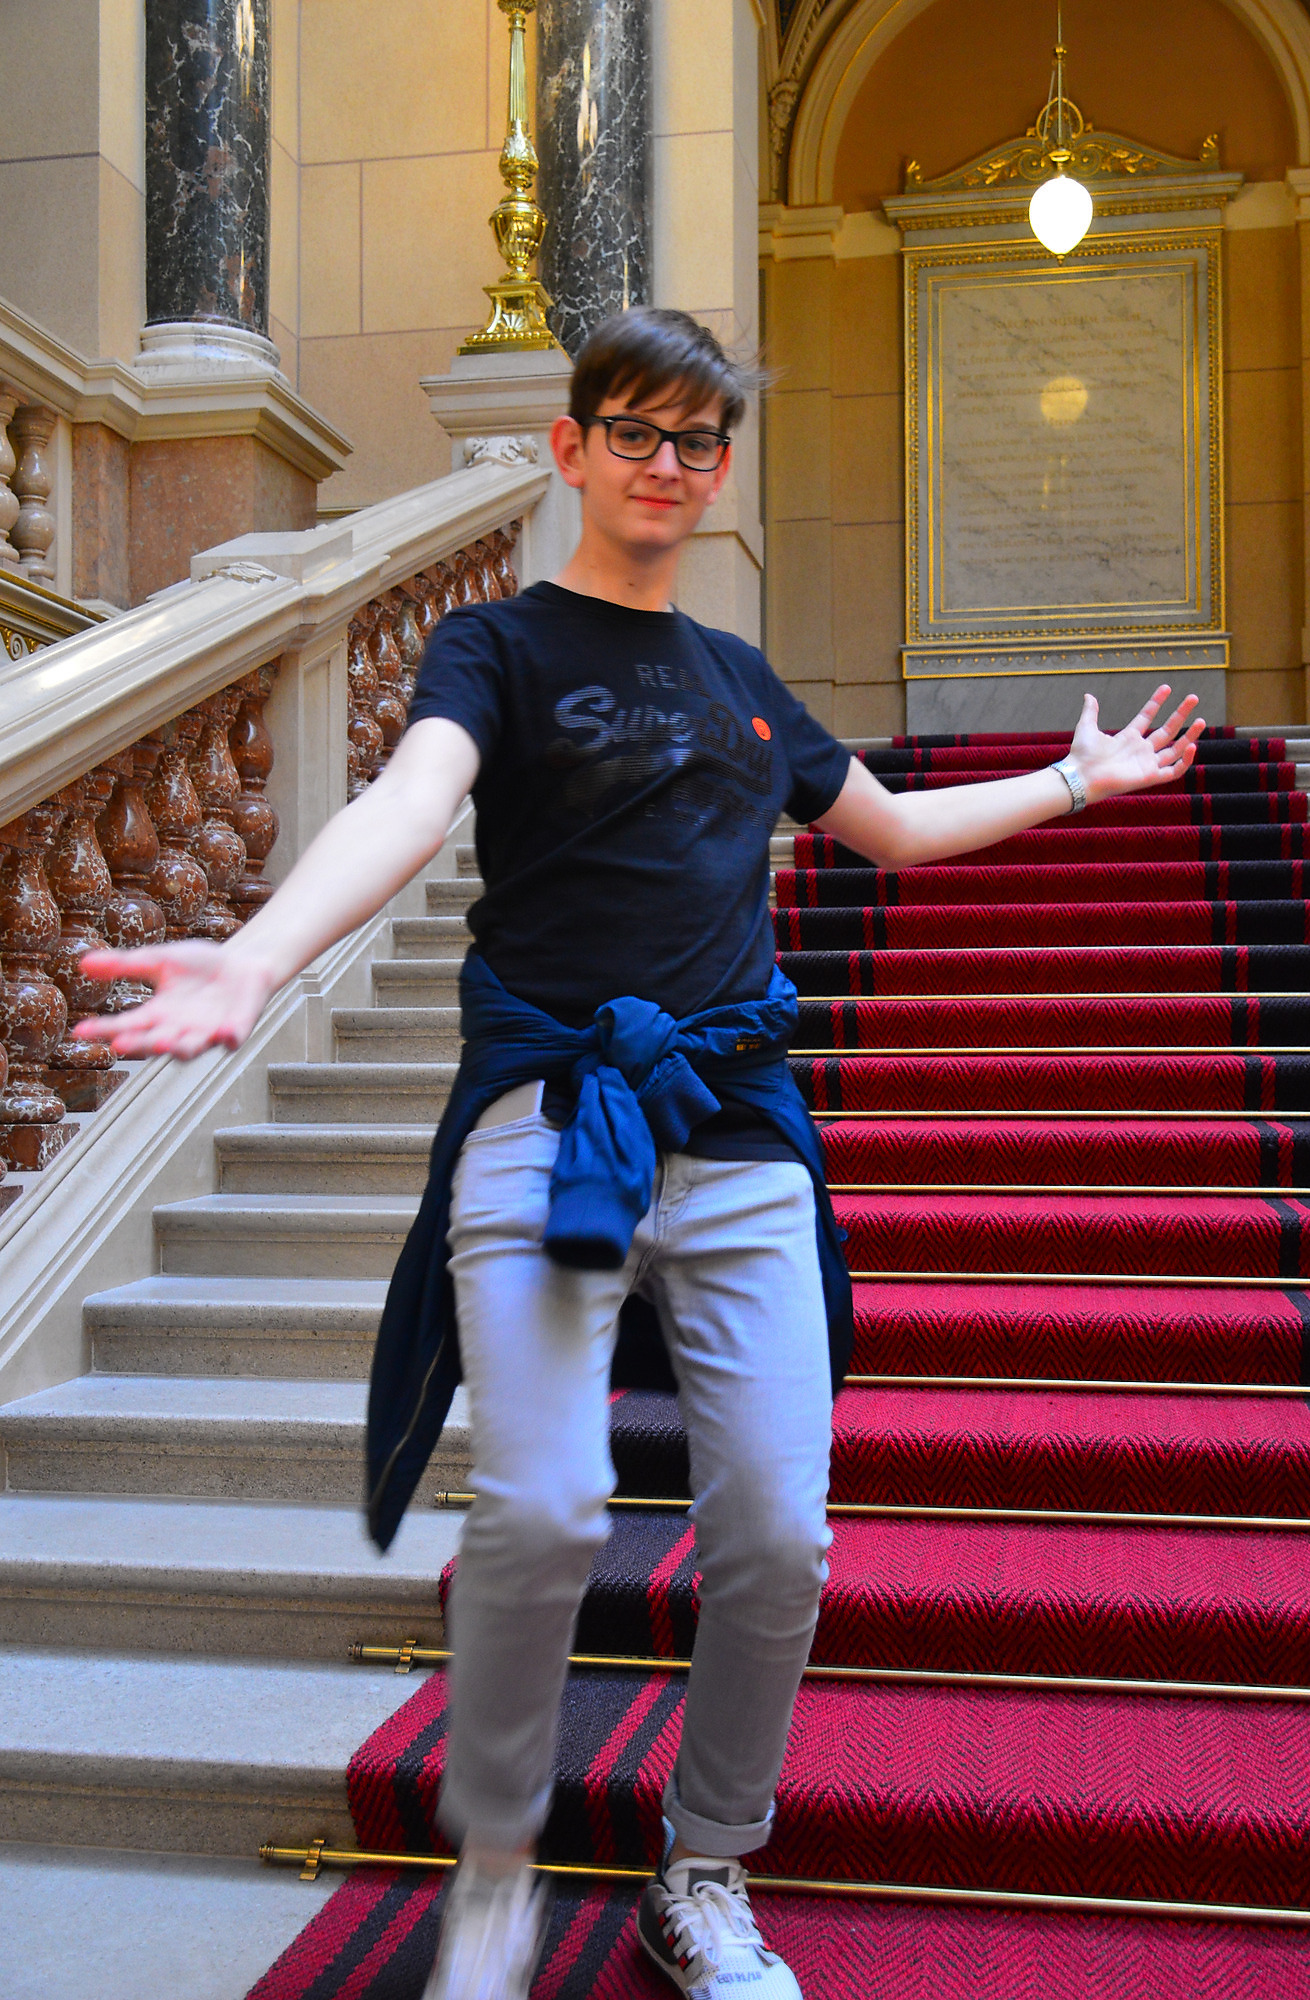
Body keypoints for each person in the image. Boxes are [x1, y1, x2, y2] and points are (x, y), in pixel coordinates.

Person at [74, 307, 1204, 2000]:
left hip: (738, 1133)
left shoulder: (740, 681)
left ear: (717, 466)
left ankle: (706, 1867)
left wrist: (1070, 779)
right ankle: (496, 1868)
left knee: (779, 1536)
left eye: (695, 440)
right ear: (571, 447)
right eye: (634, 432)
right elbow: (408, 803)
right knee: (540, 1509)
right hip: (551, 1119)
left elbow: (891, 830)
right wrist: (258, 954)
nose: (665, 464)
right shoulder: (496, 646)